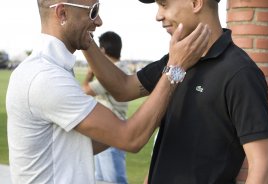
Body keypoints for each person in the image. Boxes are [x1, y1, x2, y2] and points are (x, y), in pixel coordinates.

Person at [5, 0, 210, 183]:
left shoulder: (48, 68)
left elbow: (76, 146)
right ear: (62, 14)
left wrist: (153, 113)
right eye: (93, 11)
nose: (99, 21)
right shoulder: (44, 77)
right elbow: (130, 138)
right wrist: (176, 68)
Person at [82, 0, 268, 183]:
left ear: (196, 3)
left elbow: (262, 164)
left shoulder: (240, 72)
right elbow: (123, 88)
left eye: (164, 4)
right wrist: (85, 39)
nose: (158, 15)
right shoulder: (175, 60)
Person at [82, 31, 129, 184]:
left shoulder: (112, 72)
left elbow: (85, 92)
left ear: (102, 50)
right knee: (102, 180)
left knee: (113, 180)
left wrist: (90, 73)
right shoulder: (118, 69)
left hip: (111, 133)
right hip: (105, 132)